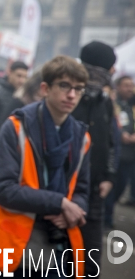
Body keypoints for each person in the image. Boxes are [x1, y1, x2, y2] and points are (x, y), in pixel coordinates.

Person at [0, 56, 91, 278]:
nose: (71, 95)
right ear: (45, 88)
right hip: (6, 244)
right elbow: (4, 189)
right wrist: (59, 203)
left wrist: (74, 211)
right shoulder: (16, 126)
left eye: (78, 89)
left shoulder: (82, 137)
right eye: (64, 86)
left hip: (55, 248)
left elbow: (81, 190)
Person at [71, 41, 116, 276]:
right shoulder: (71, 97)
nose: (113, 74)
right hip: (66, 190)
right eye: (110, 68)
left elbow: (110, 142)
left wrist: (109, 176)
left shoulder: (105, 101)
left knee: (91, 263)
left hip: (95, 191)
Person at [105, 75, 135, 228]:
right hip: (117, 153)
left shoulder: (131, 106)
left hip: (130, 156)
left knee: (121, 186)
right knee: (111, 186)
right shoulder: (113, 104)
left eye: (131, 85)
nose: (130, 88)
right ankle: (106, 218)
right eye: (126, 85)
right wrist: (121, 134)